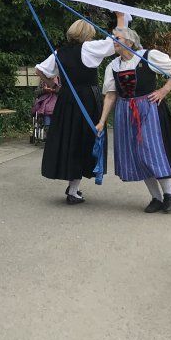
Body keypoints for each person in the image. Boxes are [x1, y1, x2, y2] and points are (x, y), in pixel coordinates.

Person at [95, 26, 171, 213]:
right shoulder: (113, 66)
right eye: (113, 38)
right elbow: (110, 95)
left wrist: (164, 91)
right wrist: (102, 121)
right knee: (136, 155)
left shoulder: (148, 55)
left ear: (130, 42)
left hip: (148, 109)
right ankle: (156, 197)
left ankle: (169, 193)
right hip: (124, 111)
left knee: (151, 151)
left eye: (118, 38)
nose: (113, 41)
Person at [37, 14, 126, 203]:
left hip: (66, 100)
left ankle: (73, 187)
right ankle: (73, 190)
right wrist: (120, 18)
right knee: (83, 141)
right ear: (87, 34)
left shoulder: (59, 52)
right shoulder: (89, 47)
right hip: (86, 99)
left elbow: (40, 70)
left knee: (70, 140)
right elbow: (117, 43)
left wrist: (54, 86)